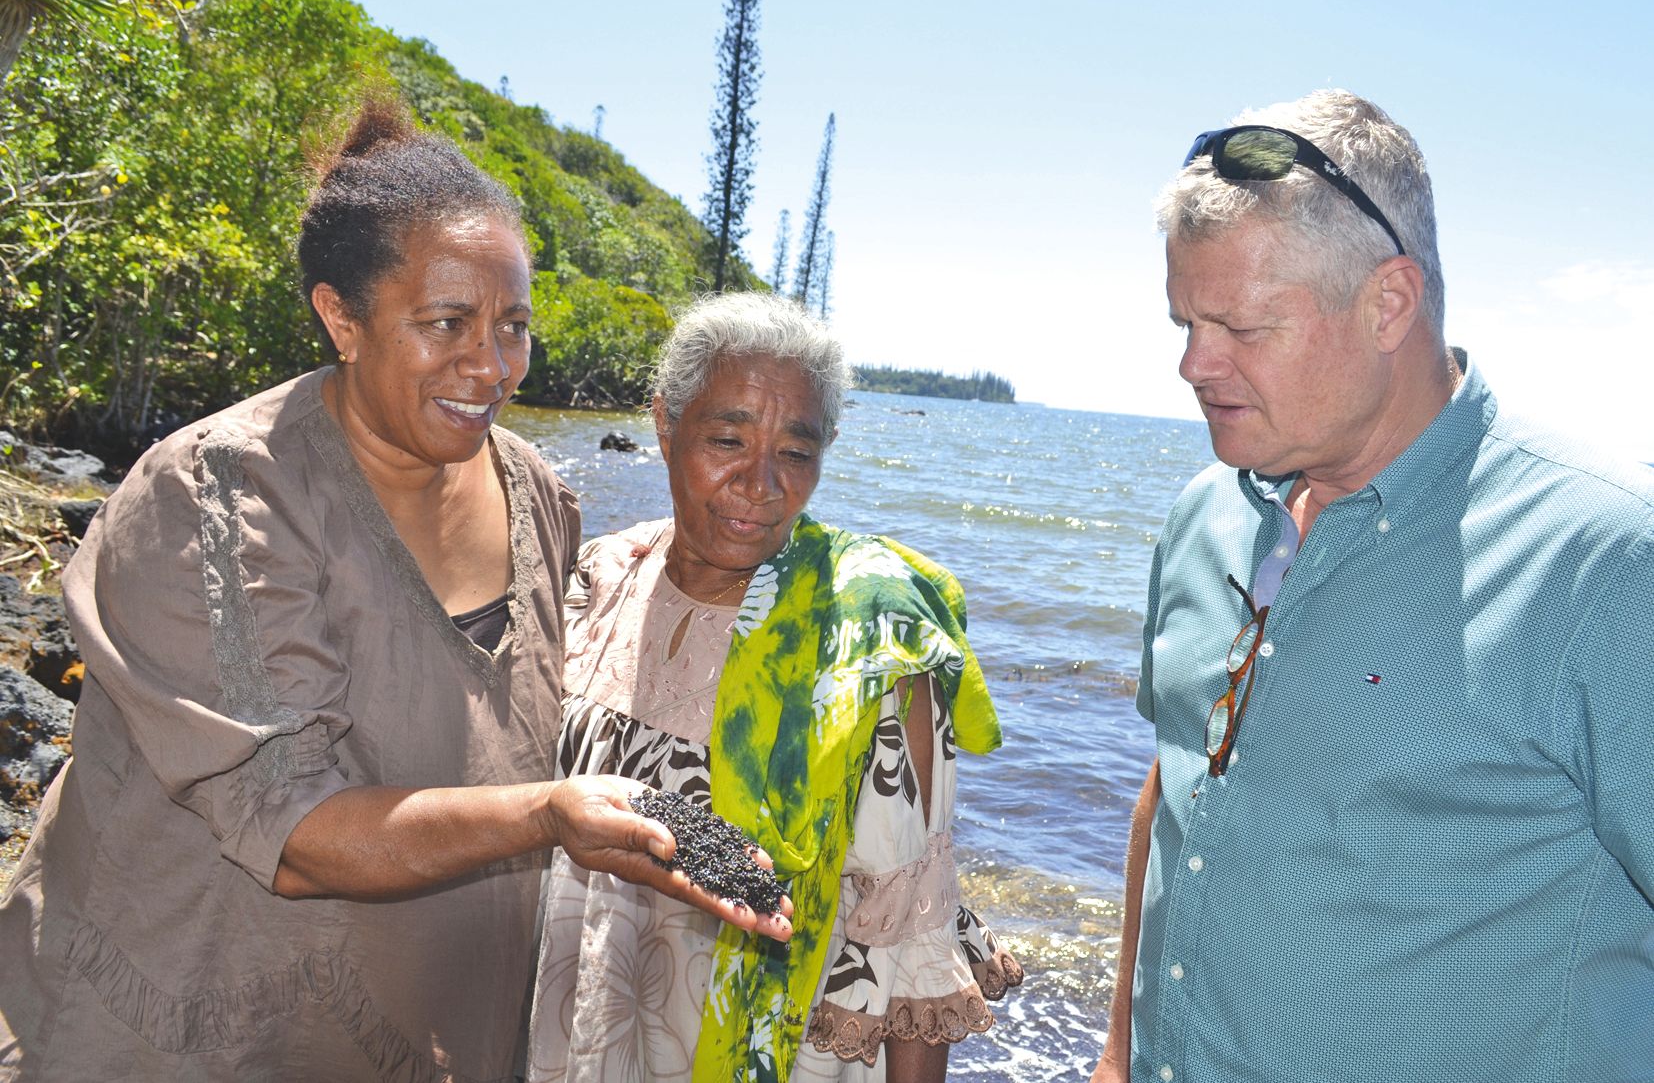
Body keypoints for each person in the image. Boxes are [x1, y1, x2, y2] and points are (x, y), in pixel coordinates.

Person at [0, 98, 788, 1081]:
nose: (491, 366)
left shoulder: (538, 495)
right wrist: (552, 814)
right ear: (343, 317)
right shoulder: (218, 494)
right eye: (447, 323)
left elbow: (552, 716)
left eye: (514, 326)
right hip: (175, 1037)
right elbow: (296, 831)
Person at [1093, 90, 1654, 1083]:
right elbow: (1174, 789)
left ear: (1388, 303)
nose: (1191, 363)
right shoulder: (1203, 515)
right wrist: (1117, 1054)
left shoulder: (1612, 562)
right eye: (1183, 320)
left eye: (1241, 327)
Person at [524, 292, 1023, 1083]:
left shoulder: (868, 633)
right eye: (727, 439)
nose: (761, 484)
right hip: (580, 1024)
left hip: (773, 1051)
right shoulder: (600, 578)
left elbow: (911, 912)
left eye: (797, 452)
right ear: (664, 425)